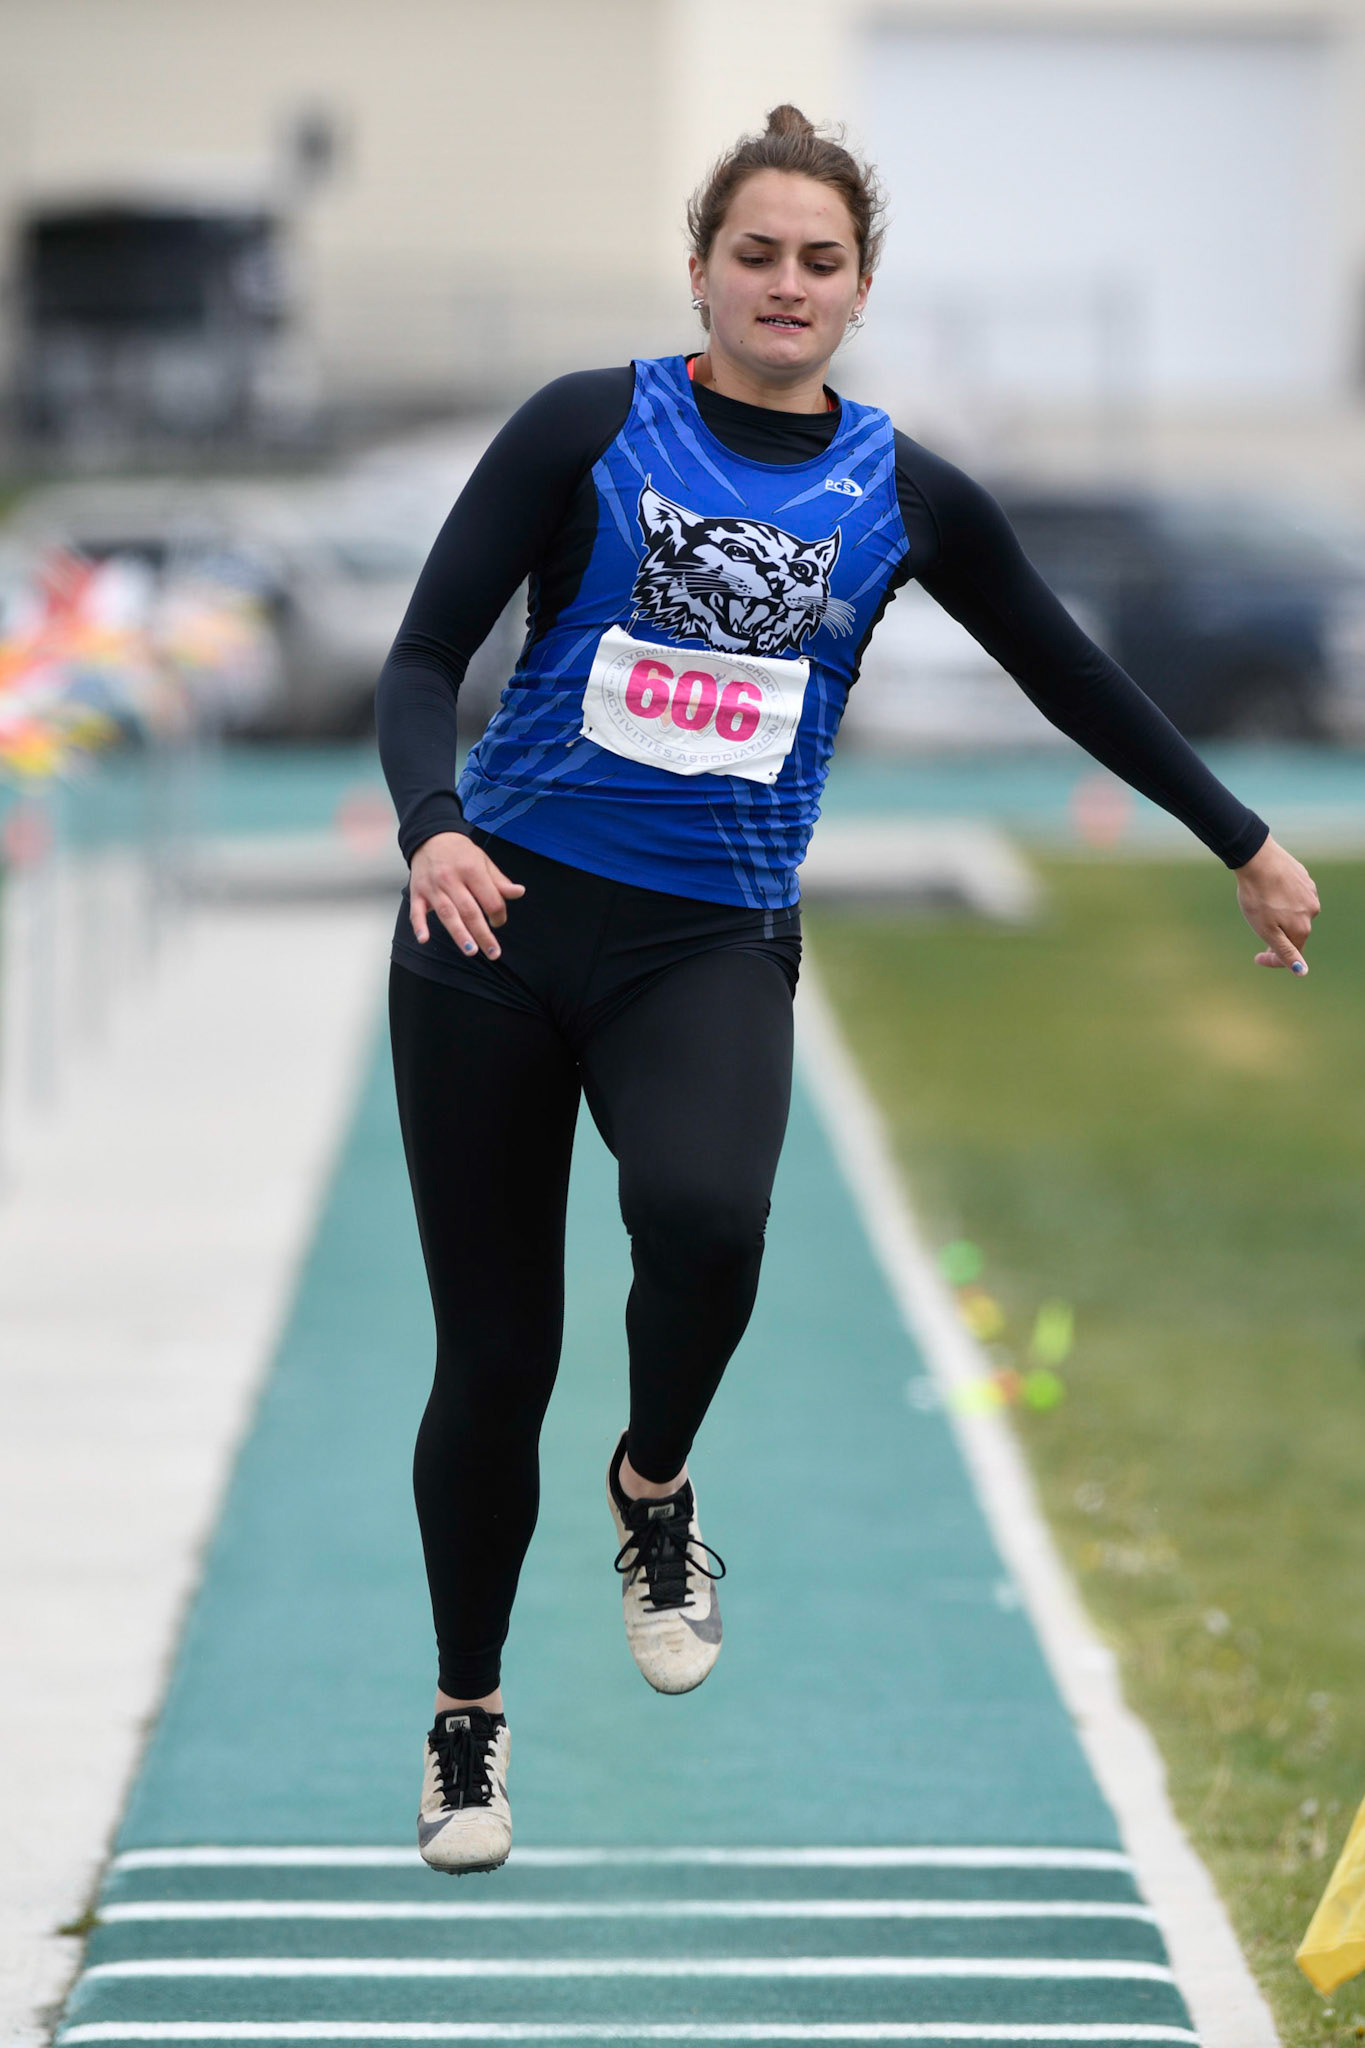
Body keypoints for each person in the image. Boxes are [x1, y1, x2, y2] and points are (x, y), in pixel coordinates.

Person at [376, 104, 1321, 1877]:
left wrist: (1242, 838)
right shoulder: (588, 425)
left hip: (706, 938)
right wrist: (431, 825)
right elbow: (427, 653)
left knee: (710, 1219)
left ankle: (654, 1483)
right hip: (494, 927)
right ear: (702, 271)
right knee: (496, 1357)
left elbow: (1069, 673)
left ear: (861, 289)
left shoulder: (901, 490)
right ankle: (468, 1720)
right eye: (757, 254)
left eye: (821, 261)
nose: (786, 284)